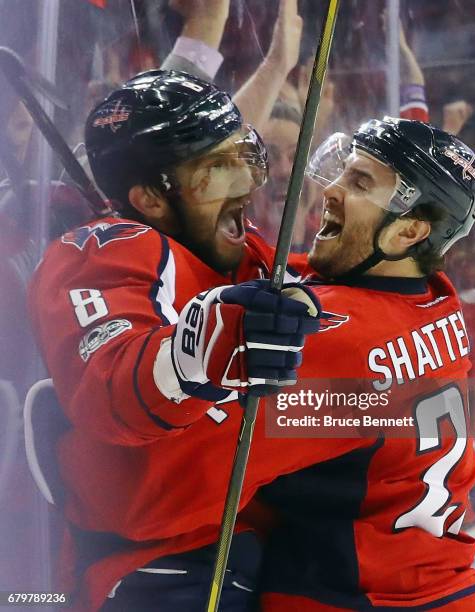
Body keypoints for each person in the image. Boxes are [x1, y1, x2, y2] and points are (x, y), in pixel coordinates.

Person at [28, 69, 322, 611]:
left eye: (244, 155)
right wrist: (207, 344)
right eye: (216, 171)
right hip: (153, 566)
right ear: (149, 198)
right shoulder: (101, 252)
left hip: (253, 535)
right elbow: (109, 383)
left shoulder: (239, 248)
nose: (248, 182)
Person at [255, 118, 475, 611]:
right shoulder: (437, 301)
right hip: (451, 586)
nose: (330, 190)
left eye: (359, 182)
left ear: (410, 230)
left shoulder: (333, 337)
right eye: (343, 171)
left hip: (356, 597)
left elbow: (183, 479)